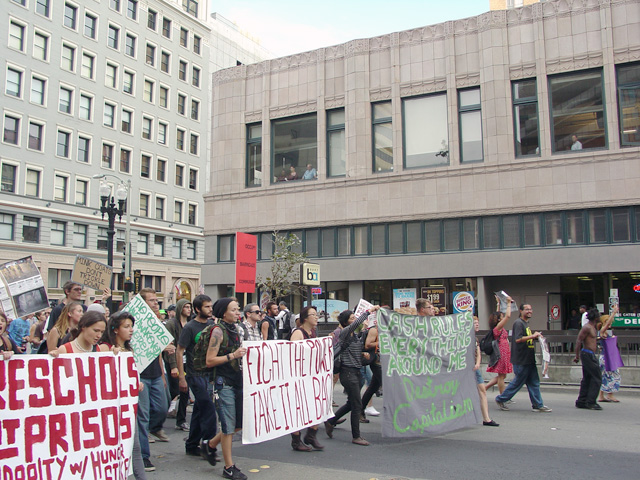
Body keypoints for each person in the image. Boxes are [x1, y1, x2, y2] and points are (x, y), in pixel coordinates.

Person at [325, 305, 380, 446]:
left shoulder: (355, 335)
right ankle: (356, 436)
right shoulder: (344, 333)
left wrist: (363, 354)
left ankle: (330, 421)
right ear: (346, 322)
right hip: (348, 373)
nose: (354, 320)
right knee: (357, 404)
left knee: (352, 402)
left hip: (356, 371)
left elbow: (357, 350)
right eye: (351, 318)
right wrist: (368, 311)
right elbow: (356, 323)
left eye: (354, 317)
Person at [205, 298, 247, 480]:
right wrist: (233, 355)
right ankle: (229, 467)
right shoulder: (217, 331)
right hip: (224, 383)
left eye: (238, 309)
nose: (238, 313)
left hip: (237, 380)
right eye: (234, 310)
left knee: (238, 424)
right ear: (223, 313)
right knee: (229, 426)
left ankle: (210, 445)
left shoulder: (235, 329)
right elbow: (209, 360)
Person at [101, 311, 147, 480]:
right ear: (115, 330)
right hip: (110, 405)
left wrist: (136, 383)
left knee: (133, 445)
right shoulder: (105, 348)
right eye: (126, 327)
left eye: (131, 327)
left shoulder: (128, 349)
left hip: (127, 403)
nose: (131, 330)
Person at [176, 294, 218, 460]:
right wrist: (182, 377)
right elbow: (180, 351)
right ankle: (209, 444)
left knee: (200, 409)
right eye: (207, 307)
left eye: (211, 306)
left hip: (209, 373)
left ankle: (192, 444)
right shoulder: (190, 328)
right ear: (197, 309)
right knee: (208, 407)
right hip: (194, 373)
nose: (210, 309)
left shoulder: (211, 325)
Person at [137, 288, 172, 472]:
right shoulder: (134, 322)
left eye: (156, 300)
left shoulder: (157, 322)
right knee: (142, 416)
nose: (155, 304)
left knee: (162, 406)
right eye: (151, 300)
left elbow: (157, 349)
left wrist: (162, 372)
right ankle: (143, 456)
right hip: (141, 374)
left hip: (156, 373)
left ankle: (155, 427)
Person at [495, 304, 552, 413]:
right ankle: (501, 399)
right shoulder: (518, 323)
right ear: (521, 311)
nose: (529, 311)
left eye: (530, 309)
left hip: (529, 359)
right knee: (518, 382)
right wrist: (533, 336)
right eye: (527, 309)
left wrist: (536, 338)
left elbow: (526, 339)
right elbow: (518, 339)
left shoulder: (525, 324)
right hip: (521, 359)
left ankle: (538, 404)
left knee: (534, 382)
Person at [288, 306, 324, 452]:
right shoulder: (298, 333)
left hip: (311, 375)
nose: (316, 317)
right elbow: (293, 353)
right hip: (299, 377)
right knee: (298, 408)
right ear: (305, 318)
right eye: (313, 315)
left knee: (316, 405)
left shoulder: (313, 333)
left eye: (317, 315)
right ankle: (296, 440)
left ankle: (311, 435)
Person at [164, 299, 192, 432]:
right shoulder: (171, 324)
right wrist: (173, 365)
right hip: (173, 362)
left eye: (190, 307)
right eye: (186, 307)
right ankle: (161, 413)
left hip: (187, 363)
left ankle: (181, 420)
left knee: (184, 391)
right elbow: (170, 347)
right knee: (173, 391)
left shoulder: (191, 324)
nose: (189, 309)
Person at [573, 308, 602, 410]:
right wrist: (576, 356)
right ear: (595, 317)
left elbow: (591, 339)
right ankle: (591, 402)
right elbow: (579, 341)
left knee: (588, 378)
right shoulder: (587, 327)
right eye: (599, 316)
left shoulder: (593, 328)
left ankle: (582, 401)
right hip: (587, 354)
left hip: (590, 354)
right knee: (597, 377)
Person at [485, 297, 514, 395]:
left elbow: (498, 314)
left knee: (502, 375)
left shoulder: (497, 327)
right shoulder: (498, 328)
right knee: (501, 375)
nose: (502, 316)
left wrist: (499, 304)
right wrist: (509, 303)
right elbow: (508, 316)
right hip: (501, 353)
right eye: (500, 316)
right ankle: (503, 396)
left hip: (503, 352)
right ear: (498, 319)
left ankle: (485, 388)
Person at [473, 317, 499, 426]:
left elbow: (478, 353)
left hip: (474, 369)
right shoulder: (463, 338)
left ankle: (486, 418)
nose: (477, 325)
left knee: (482, 391)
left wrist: (478, 363)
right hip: (465, 369)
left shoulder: (475, 339)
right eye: (475, 323)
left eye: (478, 323)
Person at [598, 307, 622, 403]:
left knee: (605, 375)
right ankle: (610, 394)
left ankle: (602, 395)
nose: (610, 323)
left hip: (607, 356)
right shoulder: (602, 331)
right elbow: (607, 324)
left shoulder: (606, 332)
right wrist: (614, 313)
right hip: (606, 357)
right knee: (613, 375)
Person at [361, 317, 381, 419]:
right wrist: (382, 341)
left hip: (384, 362)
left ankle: (360, 410)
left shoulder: (388, 329)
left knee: (373, 387)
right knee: (387, 385)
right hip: (376, 362)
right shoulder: (374, 330)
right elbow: (368, 345)